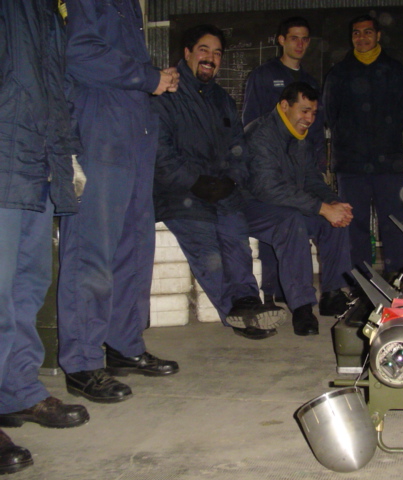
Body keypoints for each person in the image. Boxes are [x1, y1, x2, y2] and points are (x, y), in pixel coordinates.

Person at [57, 0, 181, 405]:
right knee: (91, 249)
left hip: (134, 126)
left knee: (134, 244)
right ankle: (81, 361)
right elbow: (79, 52)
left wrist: (152, 80)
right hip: (99, 126)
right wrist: (148, 76)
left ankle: (124, 344)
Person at [152, 24, 287, 341]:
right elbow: (160, 156)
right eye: (203, 50)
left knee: (236, 241)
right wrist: (196, 182)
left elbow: (239, 149)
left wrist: (231, 180)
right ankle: (239, 314)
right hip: (180, 196)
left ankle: (248, 300)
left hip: (222, 192)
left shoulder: (223, 100)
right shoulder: (165, 96)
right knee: (209, 253)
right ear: (187, 53)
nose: (210, 58)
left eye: (216, 53)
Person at [0, 0, 89, 474]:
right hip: (4, 154)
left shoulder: (48, 12)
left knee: (27, 287)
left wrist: (65, 157)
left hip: (36, 164)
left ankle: (16, 389)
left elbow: (55, 89)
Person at [244, 82, 353, 336]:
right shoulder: (261, 134)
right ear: (285, 106)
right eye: (304, 111)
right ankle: (302, 307)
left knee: (333, 221)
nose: (310, 119)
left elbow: (312, 180)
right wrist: (320, 207)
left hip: (284, 203)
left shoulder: (298, 136)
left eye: (313, 113)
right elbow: (267, 189)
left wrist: (333, 203)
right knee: (291, 221)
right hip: (250, 206)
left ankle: (333, 293)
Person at [323, 14, 403, 280]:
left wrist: (382, 136)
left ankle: (399, 277)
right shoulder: (339, 73)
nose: (361, 37)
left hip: (388, 163)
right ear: (351, 37)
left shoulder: (395, 71)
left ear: (378, 36)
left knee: (396, 223)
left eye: (367, 32)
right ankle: (360, 282)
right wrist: (353, 139)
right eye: (356, 33)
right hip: (350, 165)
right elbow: (330, 114)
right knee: (354, 225)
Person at [242, 16, 326, 307]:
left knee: (302, 217)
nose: (299, 44)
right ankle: (273, 290)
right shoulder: (263, 75)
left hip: (302, 162)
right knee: (278, 218)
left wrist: (320, 166)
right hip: (266, 163)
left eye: (304, 39)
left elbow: (316, 128)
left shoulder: (310, 81)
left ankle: (316, 291)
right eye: (293, 38)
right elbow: (250, 121)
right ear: (281, 40)